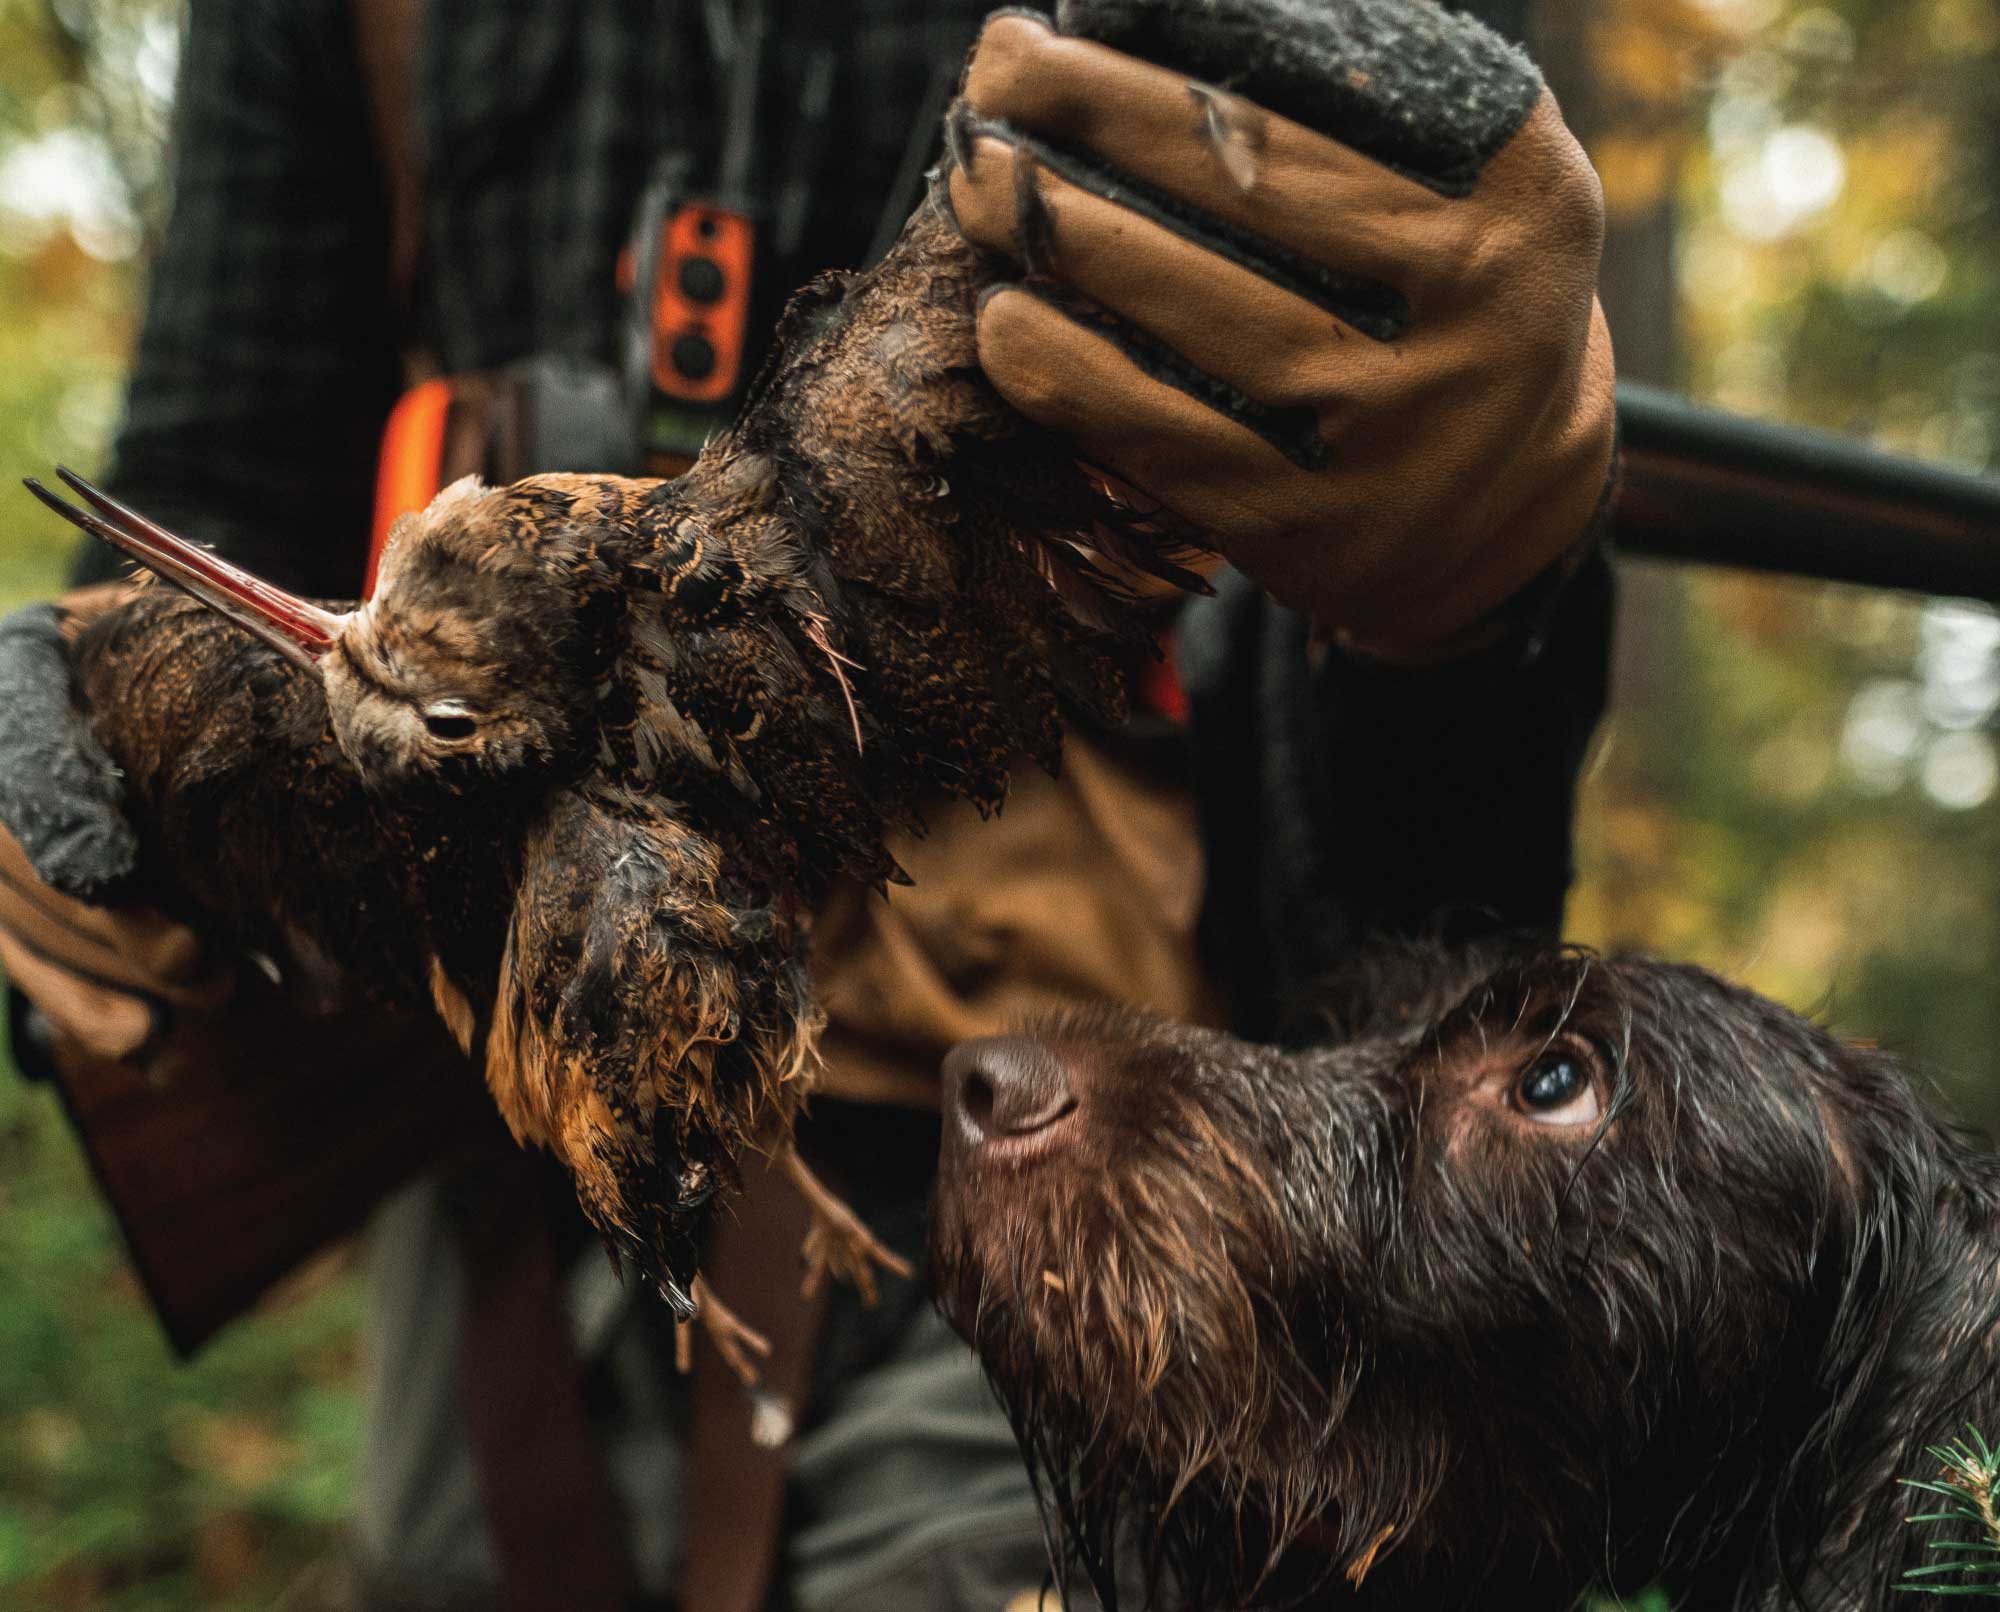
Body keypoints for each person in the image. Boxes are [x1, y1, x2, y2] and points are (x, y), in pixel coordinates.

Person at [0, 0, 1616, 1607]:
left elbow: (1434, 840)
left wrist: (1485, 593)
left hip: (1072, 1151)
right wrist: (80, 766)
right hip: (493, 1156)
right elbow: (216, 467)